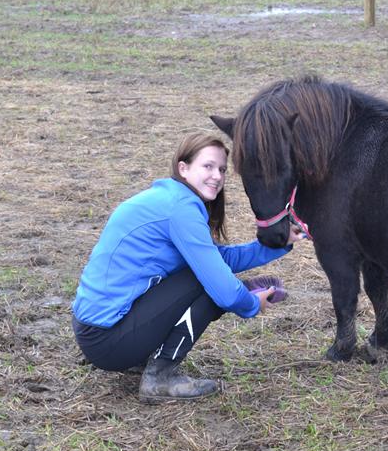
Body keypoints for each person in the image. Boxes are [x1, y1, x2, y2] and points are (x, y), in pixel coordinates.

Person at [71, 132, 302, 403]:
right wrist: (250, 303)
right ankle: (160, 376)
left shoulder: (170, 200)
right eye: (208, 166)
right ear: (183, 168)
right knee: (207, 284)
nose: (217, 176)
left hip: (94, 332)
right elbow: (223, 288)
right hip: (107, 341)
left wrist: (278, 244)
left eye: (222, 169)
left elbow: (218, 259)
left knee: (206, 276)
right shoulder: (180, 209)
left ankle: (149, 357)